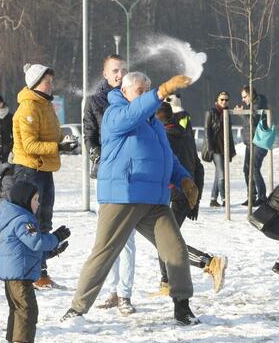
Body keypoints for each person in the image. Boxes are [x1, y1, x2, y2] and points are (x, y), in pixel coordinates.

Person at [60, 72, 202, 326]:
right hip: (122, 196)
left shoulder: (154, 122)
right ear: (125, 92)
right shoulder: (115, 114)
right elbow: (132, 114)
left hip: (154, 200)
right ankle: (77, 309)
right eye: (140, 90)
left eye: (148, 89)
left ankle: (182, 306)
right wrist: (160, 92)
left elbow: (166, 156)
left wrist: (183, 179)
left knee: (176, 251)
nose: (146, 94)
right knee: (105, 252)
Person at [13, 63, 78, 289]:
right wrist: (58, 147)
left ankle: (40, 271)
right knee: (32, 223)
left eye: (51, 81)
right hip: (30, 171)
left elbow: (55, 133)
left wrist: (65, 141)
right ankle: (33, 273)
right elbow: (30, 144)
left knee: (44, 220)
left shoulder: (46, 105)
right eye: (47, 82)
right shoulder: (29, 107)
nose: (51, 86)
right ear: (34, 84)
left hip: (45, 169)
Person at [82, 54, 137, 315]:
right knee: (107, 237)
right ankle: (112, 290)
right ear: (105, 74)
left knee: (127, 238)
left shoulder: (132, 97)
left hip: (130, 175)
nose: (119, 74)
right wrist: (96, 153)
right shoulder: (94, 102)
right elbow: (89, 134)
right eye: (115, 70)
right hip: (106, 176)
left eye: (123, 70)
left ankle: (125, 293)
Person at [155, 103, 227, 294]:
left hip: (173, 196)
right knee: (164, 240)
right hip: (186, 196)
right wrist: (195, 200)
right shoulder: (185, 135)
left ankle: (209, 262)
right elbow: (198, 167)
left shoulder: (163, 138)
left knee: (166, 241)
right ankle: (166, 282)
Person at [0, 181, 71, 343]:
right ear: (24, 200)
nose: (38, 203)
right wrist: (55, 238)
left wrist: (52, 251)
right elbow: (36, 242)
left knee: (17, 307)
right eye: (35, 199)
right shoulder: (23, 220)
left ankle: (12, 339)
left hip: (13, 272)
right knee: (27, 308)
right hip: (19, 274)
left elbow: (27, 250)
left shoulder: (13, 218)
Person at [237, 85, 269, 206]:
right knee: (246, 169)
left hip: (259, 142)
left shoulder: (258, 104)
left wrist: (241, 113)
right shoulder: (251, 105)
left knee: (254, 168)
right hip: (250, 143)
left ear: (251, 95)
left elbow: (252, 121)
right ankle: (251, 195)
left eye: (245, 96)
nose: (243, 99)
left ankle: (262, 197)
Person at [203, 91, 236, 207]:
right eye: (221, 99)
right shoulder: (211, 112)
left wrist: (232, 150)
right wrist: (210, 149)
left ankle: (213, 199)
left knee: (218, 174)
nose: (224, 102)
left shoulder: (228, 113)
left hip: (225, 148)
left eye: (226, 100)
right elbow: (207, 131)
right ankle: (224, 199)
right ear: (216, 100)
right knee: (222, 175)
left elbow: (230, 134)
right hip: (215, 149)